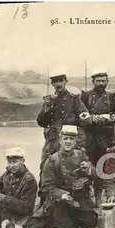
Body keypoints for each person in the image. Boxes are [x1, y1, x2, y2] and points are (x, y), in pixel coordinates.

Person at [37, 69, 91, 207]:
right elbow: (41, 122)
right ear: (52, 84)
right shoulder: (49, 100)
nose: (58, 84)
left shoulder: (74, 99)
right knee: (45, 166)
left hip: (70, 139)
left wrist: (80, 123)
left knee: (77, 165)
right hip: (53, 140)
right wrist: (47, 108)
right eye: (55, 81)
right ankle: (44, 200)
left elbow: (84, 117)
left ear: (66, 81)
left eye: (61, 80)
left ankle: (82, 198)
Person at [40, 126, 99, 228]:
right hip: (60, 200)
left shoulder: (81, 155)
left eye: (71, 139)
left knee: (91, 221)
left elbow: (95, 175)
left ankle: (73, 215)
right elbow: (46, 186)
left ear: (75, 141)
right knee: (64, 225)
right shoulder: (52, 160)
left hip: (78, 198)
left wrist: (88, 169)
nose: (68, 142)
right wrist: (62, 195)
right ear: (60, 140)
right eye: (65, 138)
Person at [80, 69, 115, 205]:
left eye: (103, 81)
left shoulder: (111, 97)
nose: (101, 83)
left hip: (107, 137)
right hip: (90, 137)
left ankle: (104, 195)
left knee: (106, 165)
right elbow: (80, 116)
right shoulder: (85, 96)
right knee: (91, 165)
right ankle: (90, 196)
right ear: (93, 82)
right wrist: (91, 118)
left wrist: (112, 118)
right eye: (98, 81)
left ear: (107, 82)